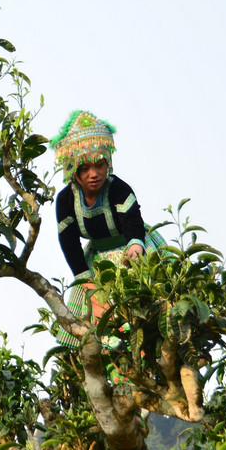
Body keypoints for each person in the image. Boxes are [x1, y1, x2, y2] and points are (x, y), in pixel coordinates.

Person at [51, 110, 165, 348]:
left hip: (134, 253)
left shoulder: (119, 189)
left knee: (157, 306)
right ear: (73, 170)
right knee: (94, 332)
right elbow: (70, 245)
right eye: (85, 168)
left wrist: (135, 247)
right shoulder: (65, 201)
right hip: (97, 265)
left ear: (108, 163)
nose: (94, 174)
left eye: (99, 165)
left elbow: (133, 221)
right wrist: (92, 291)